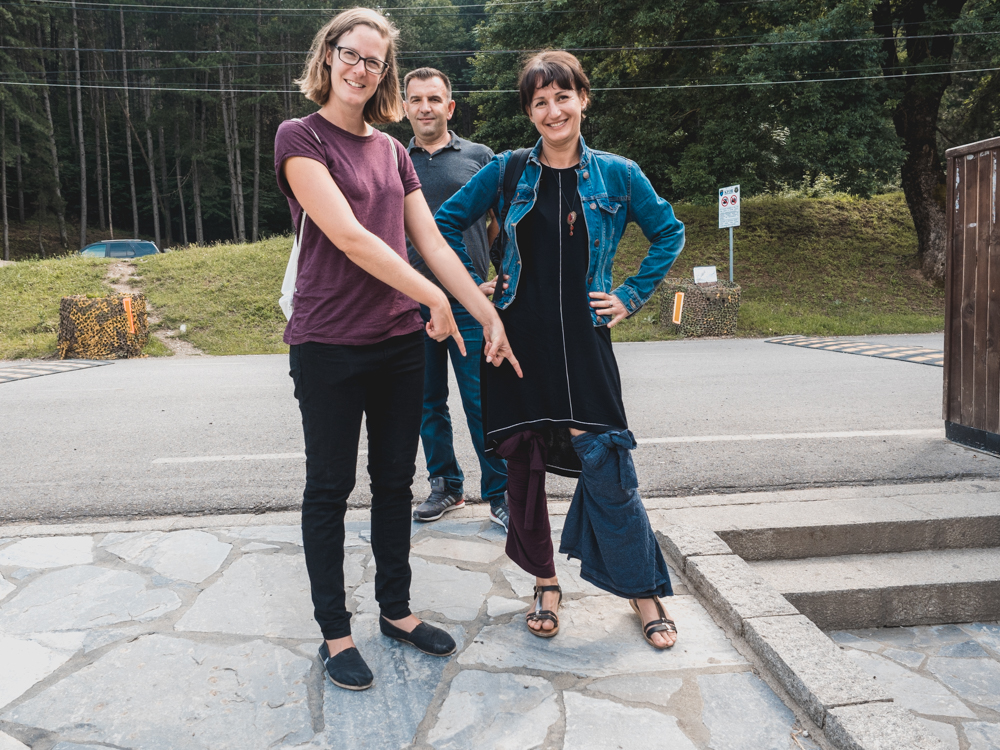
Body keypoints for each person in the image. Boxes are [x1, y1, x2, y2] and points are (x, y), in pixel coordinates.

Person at [274, 7, 520, 691]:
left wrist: (482, 309)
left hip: (395, 343)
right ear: (328, 57)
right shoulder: (300, 137)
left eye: (373, 61)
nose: (360, 68)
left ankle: (397, 612)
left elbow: (436, 242)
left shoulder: (390, 150)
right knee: (329, 486)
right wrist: (434, 299)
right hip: (327, 343)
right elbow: (352, 236)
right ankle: (335, 631)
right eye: (350, 54)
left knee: (394, 482)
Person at [435, 51, 684, 649]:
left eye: (562, 97)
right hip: (516, 340)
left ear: (583, 100)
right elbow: (443, 222)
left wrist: (628, 294)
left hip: (585, 338)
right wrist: (476, 292)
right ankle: (545, 582)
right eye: (540, 102)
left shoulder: (619, 174)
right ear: (530, 111)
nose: (553, 110)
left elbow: (668, 231)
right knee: (521, 464)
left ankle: (641, 588)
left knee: (606, 459)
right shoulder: (508, 170)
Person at [402, 67, 511, 531]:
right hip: (412, 303)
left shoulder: (480, 156)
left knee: (482, 401)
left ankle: (501, 492)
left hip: (469, 304)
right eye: (415, 99)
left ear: (449, 107)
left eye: (434, 99)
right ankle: (446, 485)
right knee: (426, 402)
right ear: (405, 107)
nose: (424, 107)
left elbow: (503, 223)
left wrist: (497, 278)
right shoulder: (391, 158)